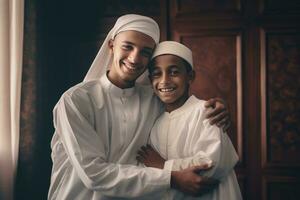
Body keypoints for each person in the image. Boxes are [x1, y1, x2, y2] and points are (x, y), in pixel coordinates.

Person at [48, 14, 230, 200]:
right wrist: (171, 178)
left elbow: (186, 106)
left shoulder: (153, 98)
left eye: (145, 52)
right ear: (111, 45)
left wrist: (217, 107)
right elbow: (93, 173)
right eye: (128, 47)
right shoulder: (75, 100)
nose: (135, 58)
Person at [137, 41, 242, 199]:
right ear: (151, 80)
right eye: (157, 73)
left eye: (173, 72)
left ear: (190, 76)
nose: (165, 80)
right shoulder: (155, 122)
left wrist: (163, 165)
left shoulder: (207, 111)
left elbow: (210, 165)